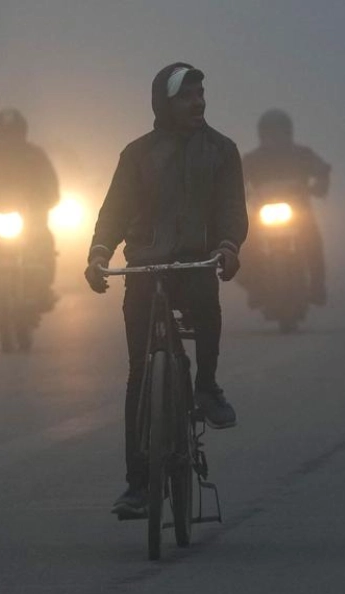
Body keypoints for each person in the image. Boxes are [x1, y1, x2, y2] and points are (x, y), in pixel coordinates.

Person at [84, 63, 248, 516]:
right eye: (187, 95)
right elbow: (114, 211)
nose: (198, 101)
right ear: (164, 102)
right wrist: (99, 253)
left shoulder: (222, 151)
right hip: (143, 270)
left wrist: (229, 248)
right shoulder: (137, 154)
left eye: (201, 94)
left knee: (207, 308)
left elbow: (233, 209)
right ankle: (138, 485)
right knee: (139, 372)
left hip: (195, 263)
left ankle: (207, 387)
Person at [0, 108, 59, 313]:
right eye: (5, 133)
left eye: (14, 132)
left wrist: (48, 199)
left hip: (31, 216)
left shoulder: (35, 156)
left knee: (45, 242)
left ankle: (43, 289)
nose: (10, 138)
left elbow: (50, 182)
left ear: (22, 132)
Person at [241, 109, 332, 305]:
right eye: (270, 133)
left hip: (300, 214)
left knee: (313, 244)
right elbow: (233, 179)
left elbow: (322, 169)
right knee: (243, 249)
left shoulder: (302, 154)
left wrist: (320, 185)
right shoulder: (252, 159)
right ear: (262, 134)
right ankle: (256, 289)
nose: (275, 137)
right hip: (261, 216)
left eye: (279, 132)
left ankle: (317, 287)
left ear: (288, 132)